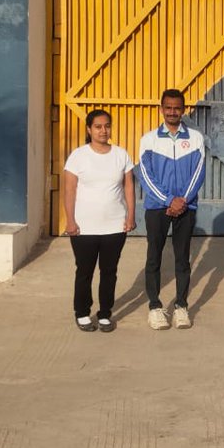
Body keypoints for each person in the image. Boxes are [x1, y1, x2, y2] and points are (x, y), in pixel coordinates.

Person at [63, 108, 136, 333]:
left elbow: (129, 187)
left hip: (114, 225)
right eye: (98, 126)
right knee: (84, 271)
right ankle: (82, 312)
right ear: (89, 129)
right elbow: (69, 190)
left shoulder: (121, 155)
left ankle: (105, 313)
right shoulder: (78, 156)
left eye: (107, 126)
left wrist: (130, 216)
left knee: (109, 271)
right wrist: (70, 221)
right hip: (84, 227)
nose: (103, 130)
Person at [138, 88, 206, 330]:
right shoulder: (149, 140)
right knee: (154, 257)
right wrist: (169, 201)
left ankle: (181, 307)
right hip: (158, 208)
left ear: (183, 109)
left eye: (177, 108)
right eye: (168, 107)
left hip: (186, 207)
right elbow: (145, 175)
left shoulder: (196, 138)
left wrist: (183, 200)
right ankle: (155, 307)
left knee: (182, 259)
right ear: (161, 109)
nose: (172, 112)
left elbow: (198, 173)